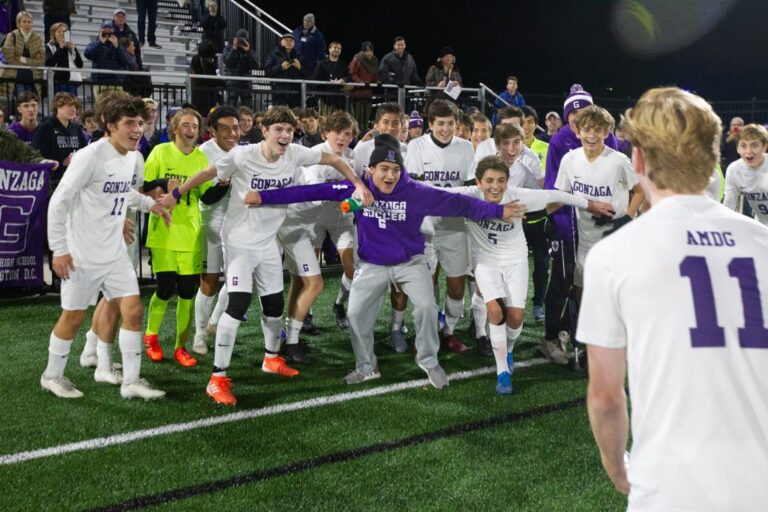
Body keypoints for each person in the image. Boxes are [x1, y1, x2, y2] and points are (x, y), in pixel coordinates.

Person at [579, 86, 768, 511]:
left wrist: (616, 467)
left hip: (671, 488)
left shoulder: (614, 254)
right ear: (714, 155)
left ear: (639, 159)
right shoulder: (763, 243)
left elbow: (606, 397)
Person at [250, 134, 526, 388]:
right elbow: (308, 192)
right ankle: (367, 366)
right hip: (371, 264)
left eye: (395, 169)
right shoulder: (356, 191)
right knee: (355, 314)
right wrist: (262, 197)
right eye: (383, 169)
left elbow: (460, 203)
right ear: (370, 170)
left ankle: (428, 360)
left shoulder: (415, 191)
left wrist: (497, 210)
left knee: (427, 308)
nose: (390, 175)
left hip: (410, 262)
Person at [159, 106, 372, 405]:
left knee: (273, 305)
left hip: (268, 242)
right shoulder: (243, 155)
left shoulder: (296, 153)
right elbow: (207, 172)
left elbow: (334, 159)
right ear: (265, 131)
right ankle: (217, 378)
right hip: (239, 242)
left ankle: (271, 358)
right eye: (278, 130)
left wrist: (359, 184)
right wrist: (175, 195)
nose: (284, 135)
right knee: (237, 304)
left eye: (288, 130)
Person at [41, 95, 170, 400]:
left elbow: (123, 193)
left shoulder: (133, 157)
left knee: (133, 310)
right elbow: (58, 203)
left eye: (140, 122)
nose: (137, 129)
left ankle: (132, 381)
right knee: (72, 318)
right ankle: (52, 375)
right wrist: (59, 250)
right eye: (129, 123)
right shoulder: (90, 156)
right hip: (82, 254)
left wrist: (151, 204)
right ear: (109, 126)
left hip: (113, 253)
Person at [447, 155, 600, 393]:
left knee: (516, 318)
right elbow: (434, 194)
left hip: (515, 261)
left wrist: (590, 204)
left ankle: (507, 350)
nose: (495, 186)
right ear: (478, 181)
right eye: (489, 181)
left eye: (500, 180)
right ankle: (503, 372)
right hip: (485, 261)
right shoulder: (469, 195)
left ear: (508, 182)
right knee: (496, 310)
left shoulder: (519, 196)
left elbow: (555, 195)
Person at [542, 84, 622, 366]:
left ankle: (580, 334)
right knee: (562, 282)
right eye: (572, 112)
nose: (578, 116)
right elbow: (555, 189)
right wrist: (563, 224)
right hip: (567, 224)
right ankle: (552, 336)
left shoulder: (608, 139)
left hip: (598, 229)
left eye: (583, 110)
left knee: (592, 285)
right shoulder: (560, 142)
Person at [141, 108, 217, 368]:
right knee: (165, 288)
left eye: (195, 125)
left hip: (190, 233)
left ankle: (180, 347)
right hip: (163, 231)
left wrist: (224, 186)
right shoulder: (160, 152)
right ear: (175, 128)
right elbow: (144, 186)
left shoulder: (200, 158)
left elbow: (207, 196)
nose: (191, 129)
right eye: (186, 124)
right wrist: (164, 182)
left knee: (187, 291)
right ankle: (151, 336)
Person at [406, 100, 475, 352]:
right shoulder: (416, 146)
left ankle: (449, 332)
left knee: (457, 286)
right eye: (441, 124)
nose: (446, 129)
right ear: (430, 124)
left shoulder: (466, 148)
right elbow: (415, 189)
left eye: (450, 124)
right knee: (428, 282)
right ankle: (429, 331)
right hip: (426, 226)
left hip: (456, 226)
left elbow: (469, 187)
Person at [554, 105, 644, 293]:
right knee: (582, 290)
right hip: (585, 241)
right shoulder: (569, 161)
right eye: (586, 129)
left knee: (613, 291)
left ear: (606, 132)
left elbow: (640, 191)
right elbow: (561, 196)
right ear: (578, 132)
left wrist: (626, 218)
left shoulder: (618, 161)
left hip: (613, 239)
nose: (592, 135)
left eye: (597, 130)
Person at [192, 105, 240, 355]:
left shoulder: (243, 152)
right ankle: (199, 334)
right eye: (225, 128)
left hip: (238, 222)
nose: (232, 133)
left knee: (237, 279)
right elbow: (208, 197)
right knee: (209, 282)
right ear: (212, 131)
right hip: (211, 220)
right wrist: (227, 182)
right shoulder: (204, 153)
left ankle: (214, 322)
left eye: (236, 127)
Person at [31, 92, 87, 190]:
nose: (73, 109)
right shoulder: (46, 127)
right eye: (69, 105)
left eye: (75, 106)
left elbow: (84, 151)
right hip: (52, 181)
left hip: (74, 180)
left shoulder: (76, 128)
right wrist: (61, 163)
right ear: (58, 106)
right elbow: (35, 155)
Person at [724, 123, 768, 225]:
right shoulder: (734, 170)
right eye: (743, 146)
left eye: (755, 145)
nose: (748, 151)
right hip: (762, 227)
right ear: (737, 148)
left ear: (765, 146)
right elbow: (729, 205)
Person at [2, 11, 45, 97]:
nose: (27, 24)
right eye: (24, 22)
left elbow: (41, 61)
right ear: (18, 24)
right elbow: (9, 58)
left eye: (29, 22)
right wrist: (32, 61)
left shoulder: (38, 38)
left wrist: (23, 59)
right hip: (14, 79)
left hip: (33, 80)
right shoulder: (12, 36)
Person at [84, 21, 129, 97]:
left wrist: (116, 46)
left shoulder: (117, 45)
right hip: (99, 81)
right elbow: (88, 55)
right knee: (101, 107)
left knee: (117, 107)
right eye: (105, 30)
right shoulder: (94, 43)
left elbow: (125, 63)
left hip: (115, 81)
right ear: (100, 31)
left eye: (109, 30)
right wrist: (100, 42)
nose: (107, 32)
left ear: (113, 31)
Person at [264, 33, 303, 107]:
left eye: (291, 40)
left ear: (294, 43)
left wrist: (300, 67)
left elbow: (307, 73)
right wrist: (280, 67)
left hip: (295, 92)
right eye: (286, 40)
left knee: (296, 116)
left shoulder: (299, 55)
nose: (289, 42)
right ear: (281, 41)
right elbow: (268, 71)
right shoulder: (274, 54)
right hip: (279, 92)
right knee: (279, 115)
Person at [311, 41, 350, 113]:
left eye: (339, 48)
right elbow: (315, 79)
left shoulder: (343, 64)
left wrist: (343, 80)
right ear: (329, 49)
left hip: (339, 100)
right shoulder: (321, 64)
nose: (337, 50)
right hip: (325, 98)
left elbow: (348, 76)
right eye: (335, 47)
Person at [45, 22, 82, 95]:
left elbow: (80, 64)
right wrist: (60, 48)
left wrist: (74, 50)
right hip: (57, 83)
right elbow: (49, 63)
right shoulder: (50, 46)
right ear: (53, 34)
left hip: (72, 82)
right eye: (59, 32)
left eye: (64, 32)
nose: (62, 34)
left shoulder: (70, 46)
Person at [348, 41, 378, 130]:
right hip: (357, 94)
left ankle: (364, 139)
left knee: (366, 121)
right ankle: (355, 140)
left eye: (371, 51)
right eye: (366, 51)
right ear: (363, 51)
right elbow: (352, 73)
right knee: (356, 120)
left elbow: (374, 75)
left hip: (368, 95)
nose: (369, 53)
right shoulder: (357, 59)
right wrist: (361, 82)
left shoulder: (374, 61)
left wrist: (377, 82)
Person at [190, 39, 219, 116]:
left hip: (210, 93)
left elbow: (213, 77)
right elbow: (195, 75)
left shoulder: (212, 62)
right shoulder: (196, 59)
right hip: (198, 92)